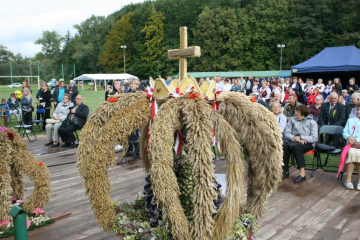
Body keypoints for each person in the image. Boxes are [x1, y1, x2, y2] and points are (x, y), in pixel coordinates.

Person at [283, 105, 318, 182]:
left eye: (297, 112)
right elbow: (286, 133)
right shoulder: (292, 120)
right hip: (293, 141)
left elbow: (314, 138)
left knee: (297, 148)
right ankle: (285, 171)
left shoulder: (312, 122)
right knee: (284, 146)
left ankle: (302, 174)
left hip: (308, 143)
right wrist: (294, 138)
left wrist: (301, 137)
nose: (295, 113)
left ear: (302, 113)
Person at [342, 103, 360, 190]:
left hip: (358, 144)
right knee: (352, 152)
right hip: (351, 145)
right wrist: (349, 137)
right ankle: (348, 180)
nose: (359, 112)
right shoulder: (351, 120)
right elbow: (344, 132)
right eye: (358, 110)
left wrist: (356, 140)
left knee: (358, 154)